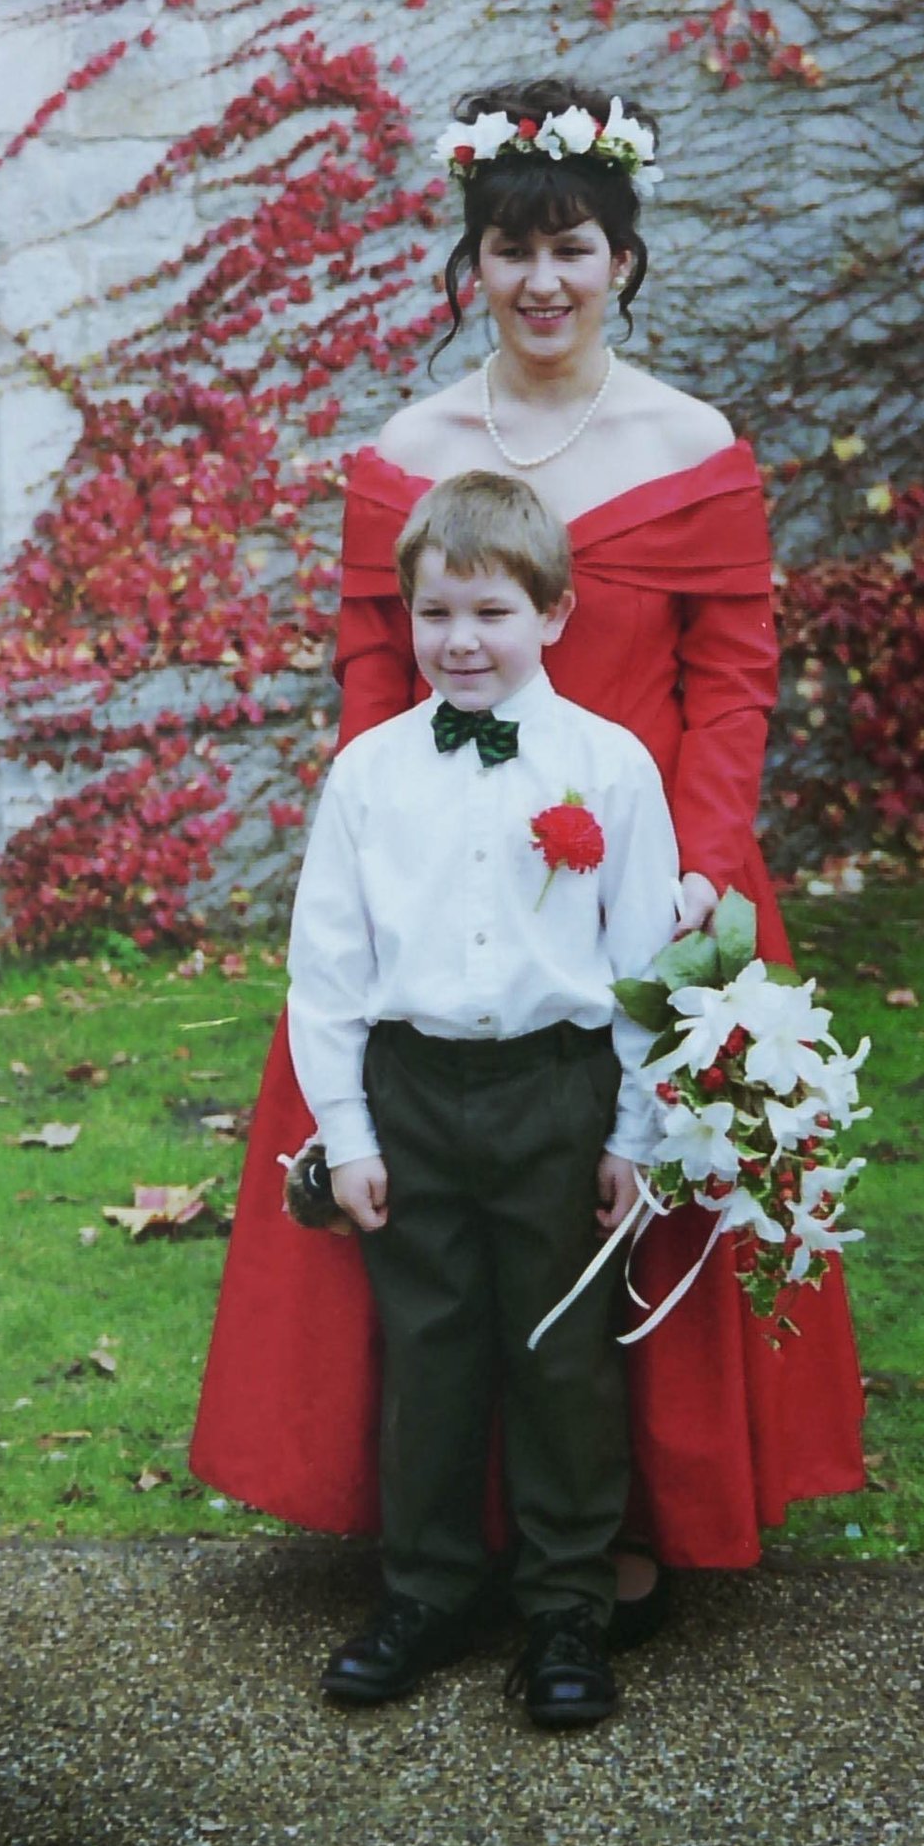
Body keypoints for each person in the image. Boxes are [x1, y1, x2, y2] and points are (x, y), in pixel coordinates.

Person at [191, 74, 865, 1631]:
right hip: (447, 889)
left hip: (649, 885)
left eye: (573, 248)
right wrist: (384, 866)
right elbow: (374, 684)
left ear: (623, 258)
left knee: (628, 1198)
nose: (543, 282)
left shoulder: (694, 447)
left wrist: (702, 875)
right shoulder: (407, 451)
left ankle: (626, 1528)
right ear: (472, 264)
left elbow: (733, 687)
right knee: (422, 1220)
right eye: (513, 250)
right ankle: (443, 1533)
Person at [291, 470, 680, 1724]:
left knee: (563, 1357)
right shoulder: (368, 774)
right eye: (436, 613)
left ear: (554, 614)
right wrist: (346, 1132)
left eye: (492, 613)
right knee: (430, 1351)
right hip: (411, 1092)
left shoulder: (608, 766)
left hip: (556, 1090)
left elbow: (646, 967)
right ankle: (427, 1589)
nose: (461, 641)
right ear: (406, 616)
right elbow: (326, 966)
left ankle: (566, 1608)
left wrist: (634, 1132)